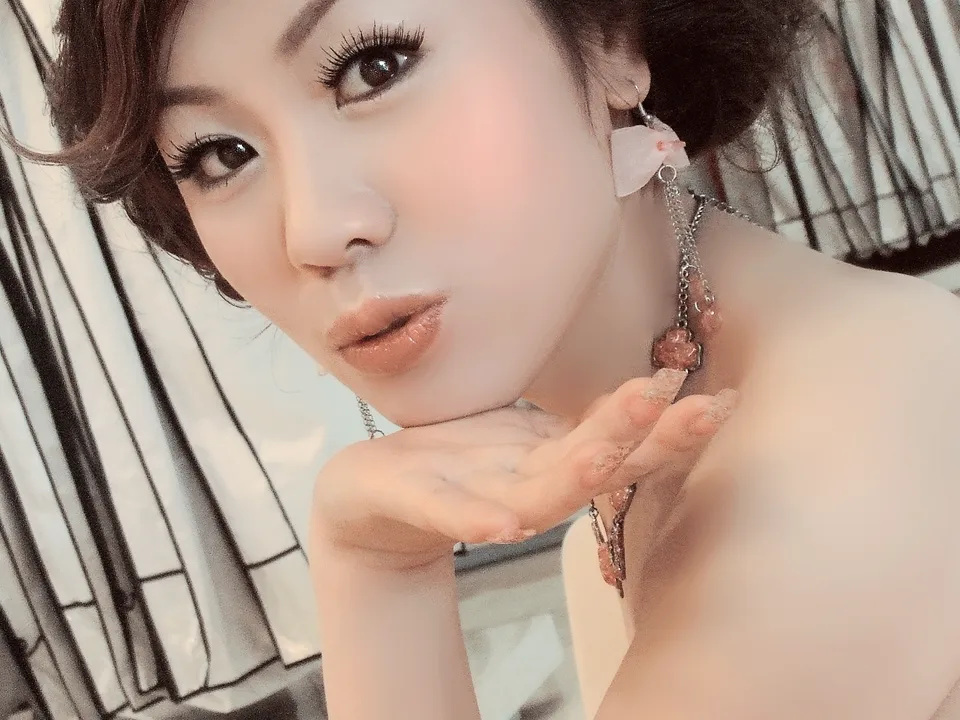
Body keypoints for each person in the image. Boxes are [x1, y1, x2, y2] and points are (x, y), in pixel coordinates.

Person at [8, 0, 960, 717]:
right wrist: (371, 544)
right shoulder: (657, 442)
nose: (317, 229)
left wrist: (376, 580)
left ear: (612, 41)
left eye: (373, 68)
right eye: (219, 154)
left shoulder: (846, 458)